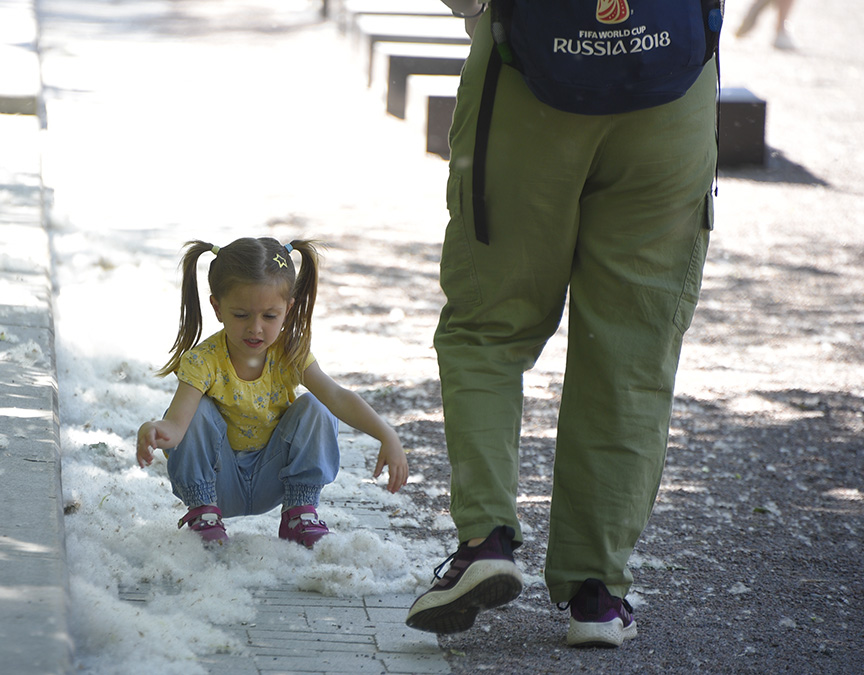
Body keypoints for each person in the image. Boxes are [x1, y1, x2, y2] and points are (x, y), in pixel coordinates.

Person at [405, 1, 719, 648]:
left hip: (529, 75)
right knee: (631, 348)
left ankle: (485, 539)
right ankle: (596, 593)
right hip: (670, 84)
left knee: (489, 327)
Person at [136, 237, 408, 547]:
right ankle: (203, 514)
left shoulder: (289, 353)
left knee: (317, 406)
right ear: (217, 307)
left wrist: (388, 435)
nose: (255, 328)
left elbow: (337, 396)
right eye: (241, 315)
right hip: (218, 481)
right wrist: (156, 430)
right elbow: (178, 425)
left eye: (269, 316)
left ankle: (299, 513)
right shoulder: (202, 361)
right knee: (199, 409)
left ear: (288, 309)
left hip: (274, 478)